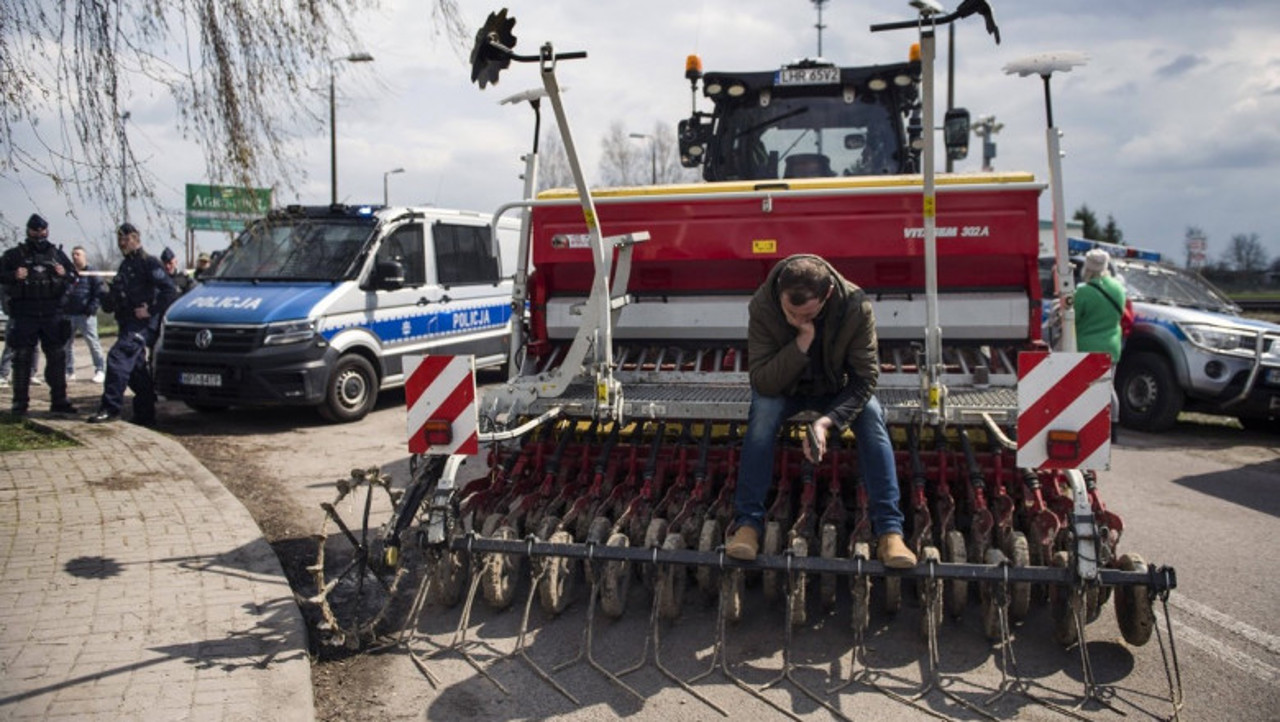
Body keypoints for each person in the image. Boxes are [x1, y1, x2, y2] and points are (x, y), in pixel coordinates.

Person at [725, 255, 917, 568]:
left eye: (807, 314)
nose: (796, 317)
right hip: (784, 390)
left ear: (826, 295)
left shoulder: (855, 307)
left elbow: (865, 379)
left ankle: (890, 533)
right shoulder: (763, 306)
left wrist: (826, 422)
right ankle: (748, 525)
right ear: (780, 293)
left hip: (835, 390)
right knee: (761, 418)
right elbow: (762, 380)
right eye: (790, 311)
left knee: (871, 418)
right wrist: (802, 341)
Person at [88, 223, 178, 426]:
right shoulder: (125, 265)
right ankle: (146, 415)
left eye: (126, 238)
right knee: (137, 372)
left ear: (136, 238)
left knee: (117, 358)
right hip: (126, 322)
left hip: (141, 325)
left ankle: (110, 408)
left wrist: (150, 310)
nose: (122, 243)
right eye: (120, 239)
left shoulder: (149, 262)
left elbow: (169, 291)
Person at [0, 214, 77, 416]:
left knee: (57, 357)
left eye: (42, 230)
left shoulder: (57, 254)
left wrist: (64, 274)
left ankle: (60, 400)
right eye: (35, 230)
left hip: (52, 313)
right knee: (22, 358)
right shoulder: (14, 255)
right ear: (28, 231)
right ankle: (19, 402)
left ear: (47, 230)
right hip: (25, 312)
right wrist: (13, 275)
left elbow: (74, 277)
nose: (39, 234)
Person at [1075, 249, 1127, 431]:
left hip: (1085, 347)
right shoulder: (1118, 289)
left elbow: (1073, 320)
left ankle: (1086, 425)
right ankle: (1113, 424)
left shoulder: (1083, 291)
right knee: (1108, 388)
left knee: (1084, 390)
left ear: (1086, 266)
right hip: (1111, 347)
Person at [63, 246, 107, 383]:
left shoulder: (92, 272)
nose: (75, 256)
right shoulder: (69, 272)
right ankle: (69, 371)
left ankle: (100, 369)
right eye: (73, 254)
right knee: (66, 344)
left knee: (93, 343)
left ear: (84, 256)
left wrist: (92, 307)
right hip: (69, 314)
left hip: (86, 315)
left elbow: (98, 291)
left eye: (78, 254)